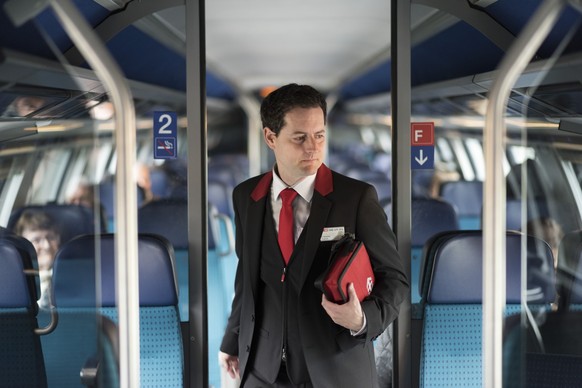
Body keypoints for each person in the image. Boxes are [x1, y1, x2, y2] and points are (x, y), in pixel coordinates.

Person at [218, 83, 409, 387]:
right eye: (300, 138)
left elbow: (395, 280)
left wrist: (362, 320)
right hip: (264, 370)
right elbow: (248, 277)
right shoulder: (246, 197)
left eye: (319, 135)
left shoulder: (356, 198)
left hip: (334, 369)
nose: (313, 147)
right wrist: (232, 340)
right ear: (270, 137)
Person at [13, 209, 61, 309]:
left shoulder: (73, 275)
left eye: (51, 238)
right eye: (37, 240)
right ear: (23, 245)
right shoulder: (15, 281)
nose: (47, 246)